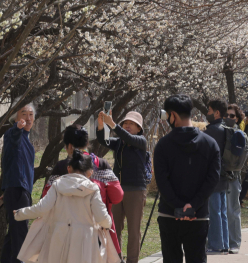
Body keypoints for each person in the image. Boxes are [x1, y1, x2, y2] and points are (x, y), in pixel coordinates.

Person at [154, 94, 220, 263]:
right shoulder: (211, 144)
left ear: (173, 115)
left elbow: (162, 181)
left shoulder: (163, 145)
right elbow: (212, 180)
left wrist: (178, 205)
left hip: (169, 214)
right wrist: (193, 204)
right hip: (198, 215)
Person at [13, 150, 112, 263]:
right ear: (90, 172)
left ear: (68, 168)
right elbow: (102, 217)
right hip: (84, 239)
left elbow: (41, 209)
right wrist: (107, 224)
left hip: (58, 236)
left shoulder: (57, 185)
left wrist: (20, 213)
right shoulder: (92, 189)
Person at [42, 124, 124, 258]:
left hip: (66, 233)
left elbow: (47, 199)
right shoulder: (101, 164)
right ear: (87, 143)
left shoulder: (62, 167)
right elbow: (117, 196)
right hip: (98, 233)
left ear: (68, 146)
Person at [97, 110, 148, 263]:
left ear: (139, 128)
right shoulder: (119, 142)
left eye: (132, 124)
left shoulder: (141, 141)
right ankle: (116, 259)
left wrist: (113, 124)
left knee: (133, 230)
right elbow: (104, 140)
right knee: (114, 227)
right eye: (126, 122)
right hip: (117, 190)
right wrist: (101, 126)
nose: (127, 125)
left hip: (135, 191)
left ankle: (132, 260)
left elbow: (128, 138)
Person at [0, 104, 36, 263]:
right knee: (20, 234)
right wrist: (18, 128)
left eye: (31, 115)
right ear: (15, 117)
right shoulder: (13, 134)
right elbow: (14, 136)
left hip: (19, 190)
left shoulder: (26, 138)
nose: (28, 118)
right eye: (24, 114)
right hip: (17, 190)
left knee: (13, 233)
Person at [204, 99, 230, 254]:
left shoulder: (212, 131)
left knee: (214, 212)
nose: (207, 113)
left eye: (209, 110)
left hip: (213, 177)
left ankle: (215, 245)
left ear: (217, 112)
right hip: (225, 175)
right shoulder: (227, 128)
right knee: (222, 212)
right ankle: (224, 244)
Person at [225, 103, 244, 254]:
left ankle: (234, 242)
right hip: (218, 178)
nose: (229, 118)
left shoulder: (239, 135)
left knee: (232, 211)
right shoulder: (220, 132)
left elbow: (242, 159)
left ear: (237, 118)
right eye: (226, 115)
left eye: (232, 116)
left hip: (232, 177)